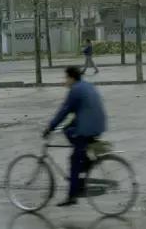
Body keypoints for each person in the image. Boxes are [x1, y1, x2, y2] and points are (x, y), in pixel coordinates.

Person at [43, 66, 107, 207]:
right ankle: (86, 164)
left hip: (87, 127)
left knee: (74, 160)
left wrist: (50, 127)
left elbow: (64, 111)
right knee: (69, 133)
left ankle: (72, 196)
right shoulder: (86, 85)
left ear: (72, 78)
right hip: (98, 124)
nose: (65, 81)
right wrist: (66, 126)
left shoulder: (75, 90)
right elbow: (82, 110)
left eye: (66, 78)